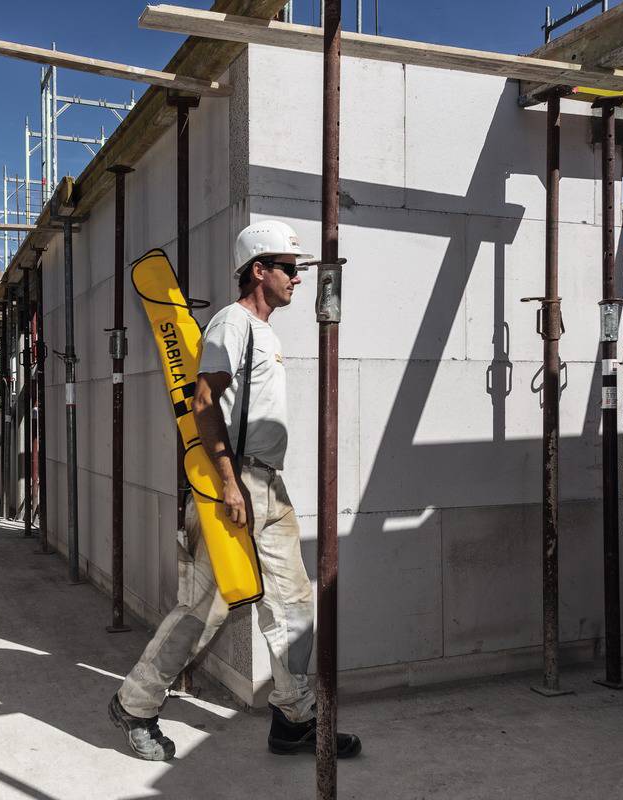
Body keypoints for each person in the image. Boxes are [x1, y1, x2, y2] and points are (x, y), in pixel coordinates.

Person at [108, 220, 362, 761]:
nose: (297, 278)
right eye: (289, 268)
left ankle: (294, 717)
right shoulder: (232, 323)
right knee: (204, 610)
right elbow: (204, 402)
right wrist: (229, 483)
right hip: (237, 485)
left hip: (268, 482)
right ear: (258, 271)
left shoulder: (265, 333)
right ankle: (135, 704)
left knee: (294, 604)